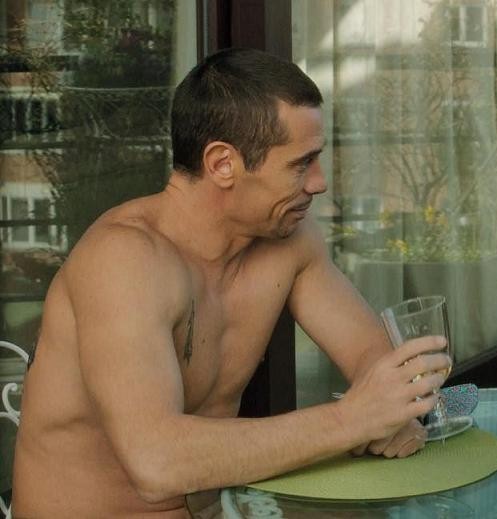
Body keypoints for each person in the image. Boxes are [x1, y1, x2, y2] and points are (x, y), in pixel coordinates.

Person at [12, 48, 450, 517]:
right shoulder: (125, 260)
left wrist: (392, 410)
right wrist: (353, 419)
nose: (319, 183)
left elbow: (372, 358)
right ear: (223, 163)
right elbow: (155, 462)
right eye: (301, 163)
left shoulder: (288, 240)